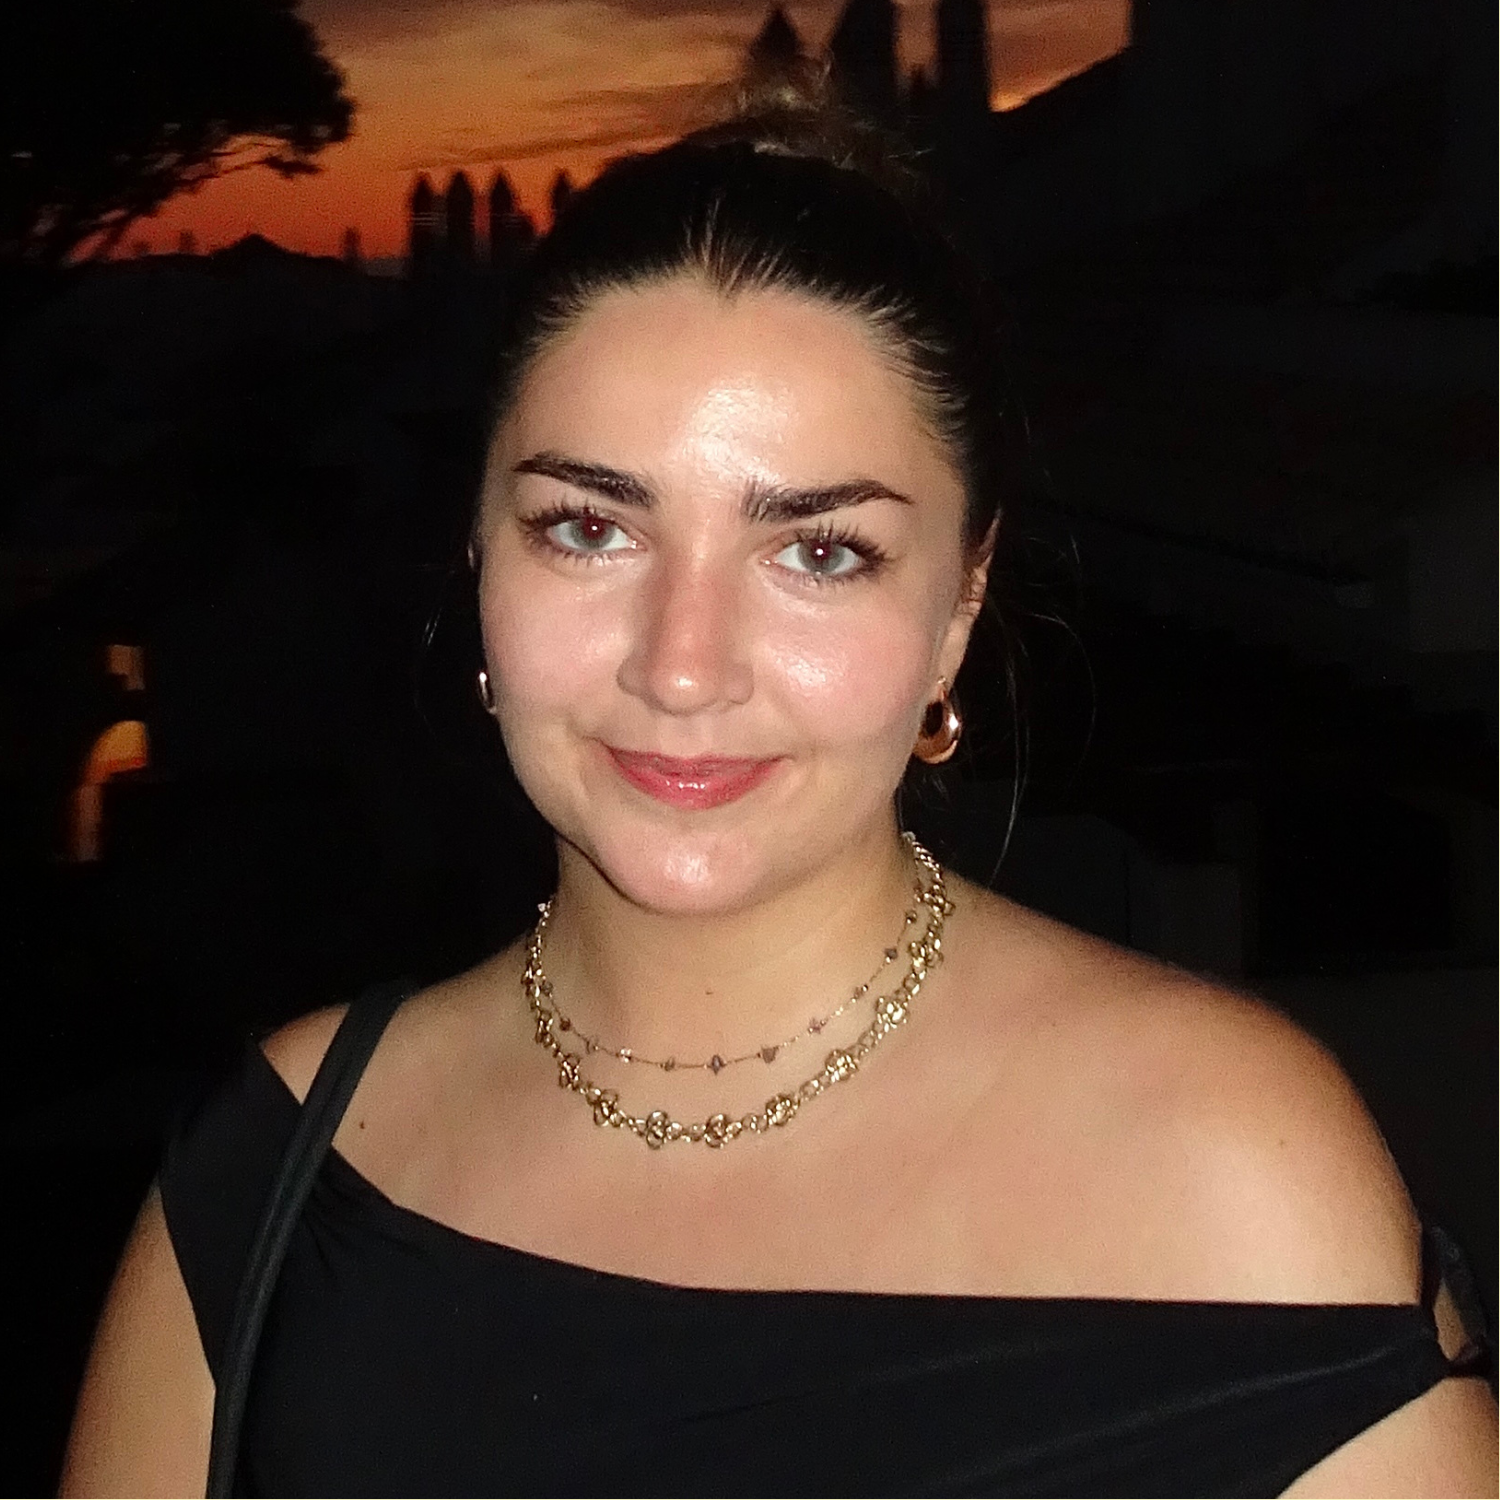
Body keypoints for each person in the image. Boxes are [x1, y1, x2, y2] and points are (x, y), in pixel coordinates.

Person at [62, 87, 1495, 1497]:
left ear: (959, 605)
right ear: (479, 558)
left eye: (819, 552)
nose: (684, 669)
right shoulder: (276, 1178)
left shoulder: (1230, 1174)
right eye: (589, 528)